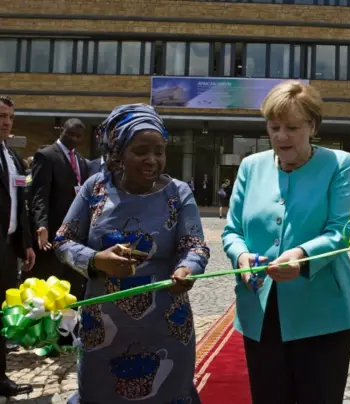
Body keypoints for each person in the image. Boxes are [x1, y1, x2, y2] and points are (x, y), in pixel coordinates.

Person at [54, 104, 210, 404]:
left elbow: (195, 244)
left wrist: (188, 268)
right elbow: (63, 241)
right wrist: (96, 260)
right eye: (141, 151)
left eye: (160, 151)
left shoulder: (178, 193)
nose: (153, 160)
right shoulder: (95, 189)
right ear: (118, 153)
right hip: (104, 331)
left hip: (166, 327)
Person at [222, 80, 350, 404]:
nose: (281, 136)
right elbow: (231, 232)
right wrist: (241, 257)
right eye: (274, 127)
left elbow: (343, 229)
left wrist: (301, 255)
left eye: (292, 127)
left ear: (312, 126)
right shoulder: (249, 167)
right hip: (260, 314)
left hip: (323, 315)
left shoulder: (338, 164)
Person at [31, 118, 89, 301]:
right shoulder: (46, 156)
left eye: (78, 136)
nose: (73, 138)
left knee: (73, 290)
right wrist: (41, 225)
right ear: (61, 131)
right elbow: (39, 195)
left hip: (77, 236)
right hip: (53, 234)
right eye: (69, 134)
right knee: (51, 288)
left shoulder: (81, 160)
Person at [0, 95, 34, 397]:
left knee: (2, 312)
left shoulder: (13, 159)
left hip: (9, 249)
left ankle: (0, 377)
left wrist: (26, 244)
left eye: (9, 116)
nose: (6, 122)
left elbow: (21, 203)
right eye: (1, 116)